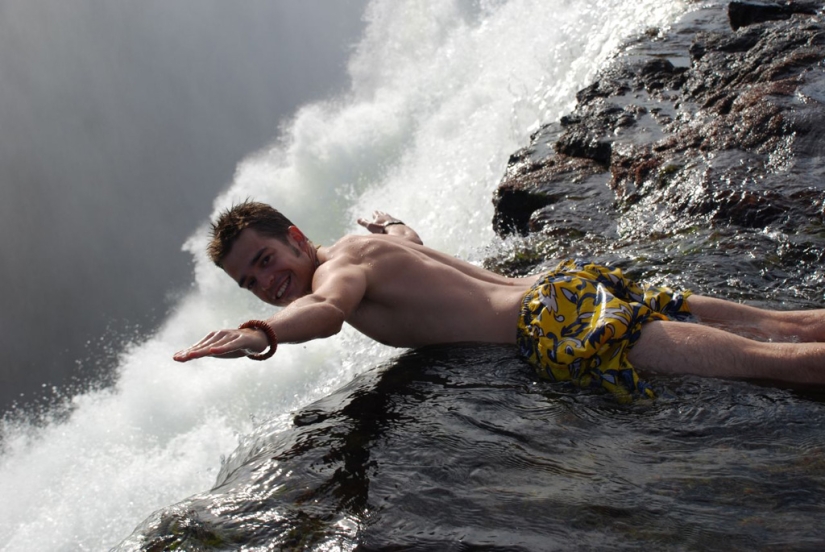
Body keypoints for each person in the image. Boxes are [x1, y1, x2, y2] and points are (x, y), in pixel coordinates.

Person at [173, 201, 825, 400]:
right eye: (251, 285)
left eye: (266, 262)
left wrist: (263, 332)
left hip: (557, 323)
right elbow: (409, 238)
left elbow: (328, 313)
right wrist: (390, 225)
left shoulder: (332, 276)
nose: (267, 283)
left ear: (294, 238)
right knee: (784, 326)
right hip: (566, 287)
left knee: (782, 364)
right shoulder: (359, 248)